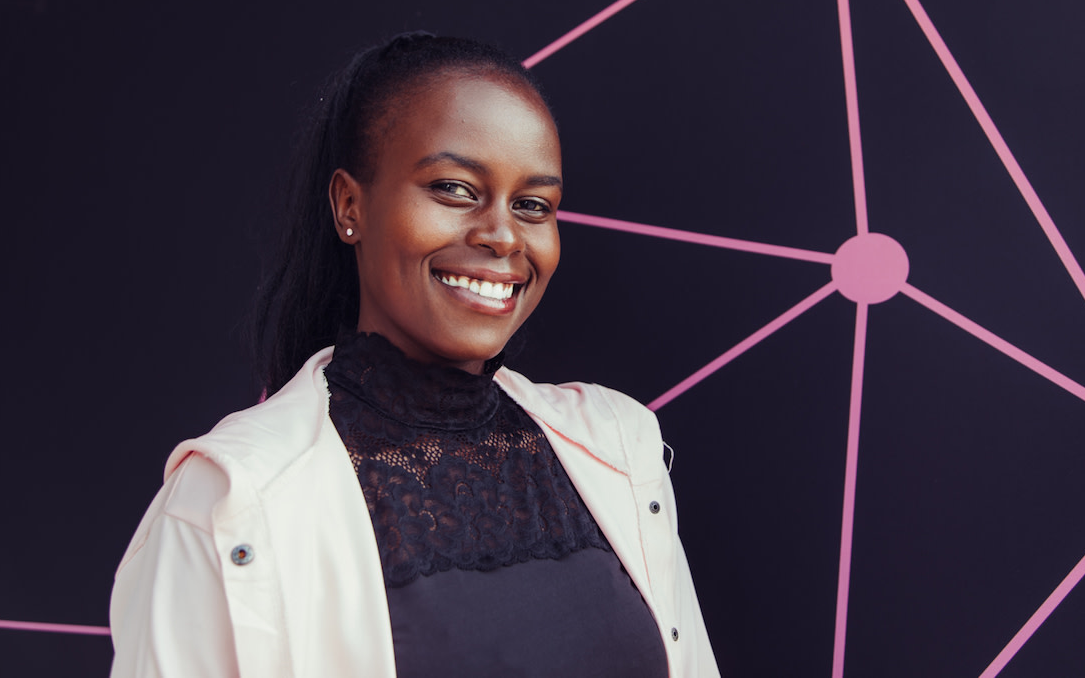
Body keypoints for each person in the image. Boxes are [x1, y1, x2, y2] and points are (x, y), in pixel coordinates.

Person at [108, 33, 719, 677]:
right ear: (351, 205)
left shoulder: (619, 445)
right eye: (455, 189)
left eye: (533, 205)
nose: (503, 235)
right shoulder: (230, 498)